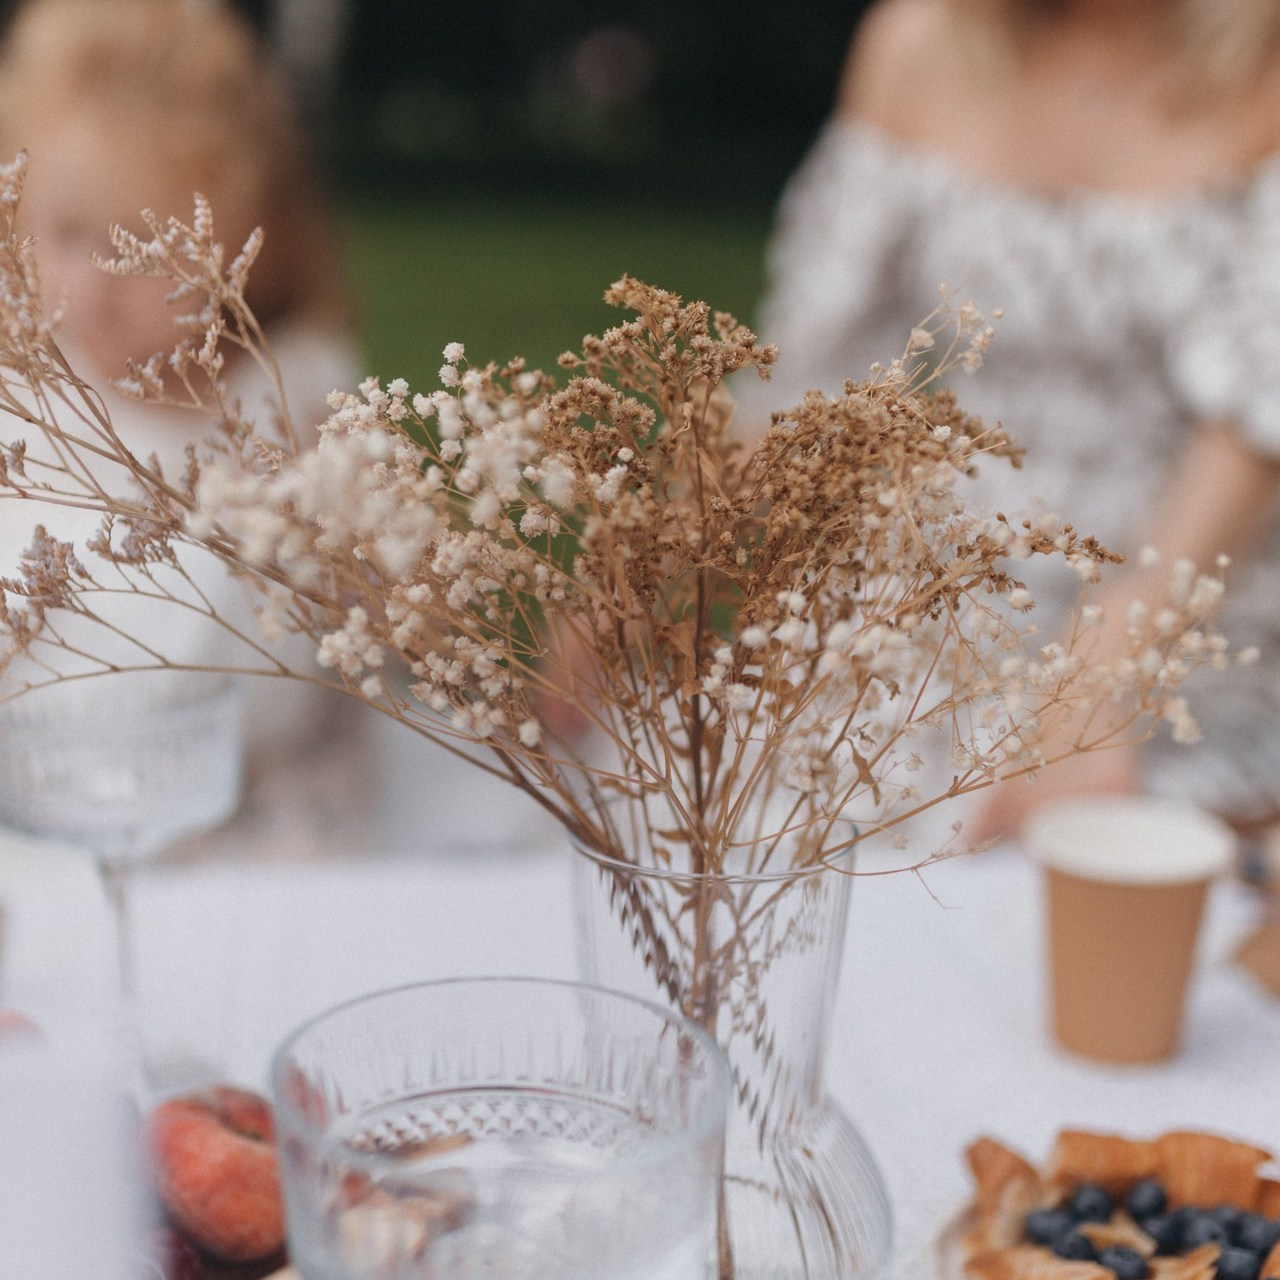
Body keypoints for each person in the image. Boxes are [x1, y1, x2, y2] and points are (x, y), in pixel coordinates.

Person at [748, 0, 1280, 845]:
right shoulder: (921, 41)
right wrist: (654, 561)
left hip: (1191, 606)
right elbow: (814, 365)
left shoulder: (1263, 65)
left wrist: (1107, 673)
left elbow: (1257, 409)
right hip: (937, 593)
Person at [0, 0, 371, 858]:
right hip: (44, 809)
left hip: (263, 809)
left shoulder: (295, 398)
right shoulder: (28, 391)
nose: (93, 288)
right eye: (65, 234)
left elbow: (347, 632)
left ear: (239, 239)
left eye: (139, 247)